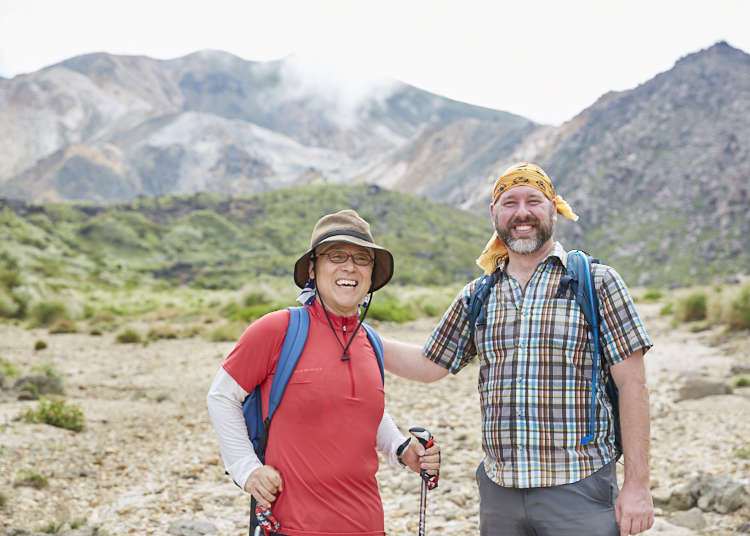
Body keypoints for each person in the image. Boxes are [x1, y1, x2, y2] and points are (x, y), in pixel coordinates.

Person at [382, 162, 653, 536]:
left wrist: (637, 486)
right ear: (493, 213)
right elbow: (430, 364)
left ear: (553, 207)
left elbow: (633, 386)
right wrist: (360, 337)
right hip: (500, 493)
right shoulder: (479, 294)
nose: (522, 213)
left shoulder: (596, 282)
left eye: (533, 201)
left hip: (579, 487)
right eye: (509, 202)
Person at [206, 209, 440, 536]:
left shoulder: (370, 342)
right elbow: (221, 396)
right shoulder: (277, 330)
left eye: (362, 258)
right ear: (313, 269)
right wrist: (247, 471)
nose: (349, 267)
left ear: (372, 275)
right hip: (290, 526)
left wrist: (402, 450)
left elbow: (362, 411)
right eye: (336, 256)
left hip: (368, 525)